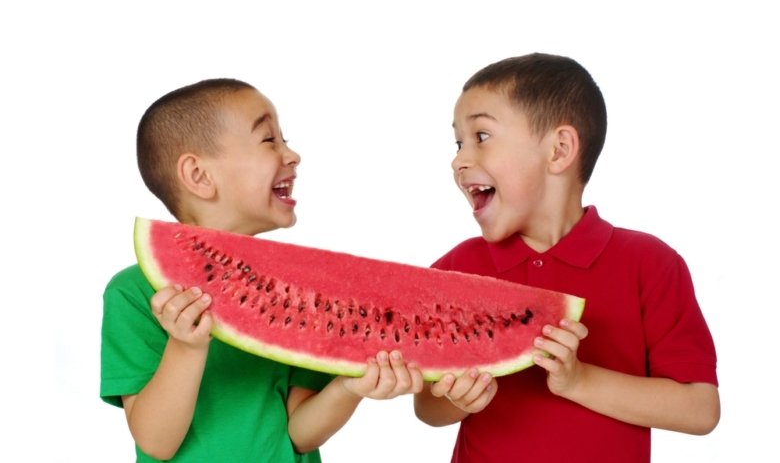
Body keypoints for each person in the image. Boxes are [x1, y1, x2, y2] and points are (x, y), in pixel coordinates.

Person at [413, 53, 720, 462]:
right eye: (458, 143)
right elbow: (427, 409)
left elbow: (700, 409)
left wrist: (579, 381)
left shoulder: (650, 263)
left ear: (559, 150)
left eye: (481, 137)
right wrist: (460, 399)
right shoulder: (455, 270)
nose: (459, 159)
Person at [101, 78, 423, 462]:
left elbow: (299, 433)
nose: (292, 155)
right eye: (269, 140)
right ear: (200, 176)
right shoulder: (134, 293)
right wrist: (186, 347)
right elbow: (157, 442)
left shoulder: (300, 289)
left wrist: (348, 387)